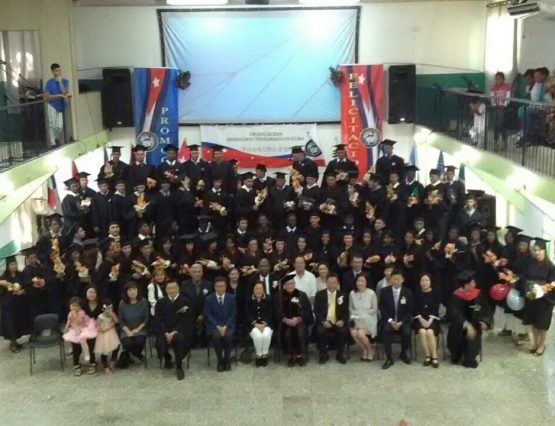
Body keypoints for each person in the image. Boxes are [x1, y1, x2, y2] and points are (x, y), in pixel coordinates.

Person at [447, 270, 491, 368]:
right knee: (455, 358)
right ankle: (456, 354)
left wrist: (484, 321)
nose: (475, 284)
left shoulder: (478, 294)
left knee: (470, 361)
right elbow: (454, 313)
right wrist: (466, 324)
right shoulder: (456, 296)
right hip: (459, 325)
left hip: (474, 324)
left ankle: (469, 356)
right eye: (473, 282)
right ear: (466, 285)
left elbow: (484, 309)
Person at [520, 237, 555, 356]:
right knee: (533, 322)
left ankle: (541, 345)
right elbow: (524, 277)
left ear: (544, 250)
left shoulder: (550, 266)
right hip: (532, 297)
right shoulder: (530, 263)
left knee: (542, 324)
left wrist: (545, 287)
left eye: (539, 250)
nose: (537, 252)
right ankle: (535, 344)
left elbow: (552, 283)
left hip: (545, 300)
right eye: (535, 250)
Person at [155, 280, 194, 381]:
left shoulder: (185, 301)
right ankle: (167, 357)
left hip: (180, 330)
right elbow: (158, 320)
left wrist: (174, 332)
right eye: (169, 288)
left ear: (178, 288)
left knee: (179, 340)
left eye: (174, 288)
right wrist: (166, 332)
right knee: (160, 343)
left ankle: (179, 365)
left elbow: (187, 319)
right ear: (165, 290)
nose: (172, 290)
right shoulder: (160, 302)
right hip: (165, 331)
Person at [274, 273, 313, 367]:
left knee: (300, 332)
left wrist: (299, 319)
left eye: (292, 283)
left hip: (299, 322)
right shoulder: (278, 296)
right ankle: (291, 355)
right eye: (288, 284)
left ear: (295, 284)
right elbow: (276, 311)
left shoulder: (301, 295)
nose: (290, 285)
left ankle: (299, 355)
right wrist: (285, 319)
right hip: (284, 322)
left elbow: (308, 311)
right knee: (287, 334)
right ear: (284, 286)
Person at [379, 268, 414, 369]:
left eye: (398, 279)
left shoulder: (408, 292)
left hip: (403, 320)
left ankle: (403, 353)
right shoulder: (384, 291)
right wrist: (391, 321)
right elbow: (382, 308)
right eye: (394, 279)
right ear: (391, 279)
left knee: (407, 332)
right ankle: (389, 357)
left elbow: (410, 310)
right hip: (389, 320)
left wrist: (401, 322)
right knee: (386, 331)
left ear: (403, 280)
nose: (396, 281)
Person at [314, 274, 348, 364]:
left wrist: (343, 320)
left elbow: (346, 312)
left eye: (334, 282)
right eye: (330, 282)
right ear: (326, 283)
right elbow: (316, 311)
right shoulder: (320, 294)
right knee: (320, 330)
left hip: (337, 320)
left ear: (338, 283)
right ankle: (323, 354)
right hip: (325, 320)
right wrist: (323, 321)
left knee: (342, 331)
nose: (332, 285)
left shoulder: (343, 295)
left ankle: (340, 354)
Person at [204, 276, 236, 372]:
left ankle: (227, 359)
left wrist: (225, 326)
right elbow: (208, 315)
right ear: (214, 287)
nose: (220, 288)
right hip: (214, 326)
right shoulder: (209, 299)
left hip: (228, 325)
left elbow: (233, 314)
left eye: (222, 286)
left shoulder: (231, 298)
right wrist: (217, 326)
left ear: (225, 287)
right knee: (216, 337)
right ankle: (220, 360)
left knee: (228, 336)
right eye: (217, 286)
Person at [63, 297, 98, 376]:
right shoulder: (70, 313)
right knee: (76, 349)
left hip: (86, 328)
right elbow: (68, 323)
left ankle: (91, 362)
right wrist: (65, 332)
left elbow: (79, 321)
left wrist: (74, 314)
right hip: (75, 329)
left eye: (76, 306)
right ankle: (76, 366)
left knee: (89, 345)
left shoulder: (81, 312)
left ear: (80, 306)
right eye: (72, 306)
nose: (74, 308)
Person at [118, 281, 149, 367]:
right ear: (126, 292)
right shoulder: (122, 303)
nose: (132, 292)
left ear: (138, 290)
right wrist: (127, 331)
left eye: (134, 289)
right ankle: (136, 355)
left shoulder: (143, 301)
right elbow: (121, 320)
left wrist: (138, 329)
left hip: (140, 328)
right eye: (129, 290)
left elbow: (146, 318)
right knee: (127, 343)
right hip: (126, 329)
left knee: (139, 342)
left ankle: (134, 355)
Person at [413, 273, 441, 368]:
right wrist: (421, 320)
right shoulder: (416, 294)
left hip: (433, 319)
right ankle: (428, 355)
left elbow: (436, 309)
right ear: (419, 282)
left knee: (429, 332)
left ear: (430, 282)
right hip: (419, 319)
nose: (424, 283)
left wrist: (429, 321)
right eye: (422, 280)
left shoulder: (436, 293)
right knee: (422, 331)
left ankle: (434, 356)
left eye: (426, 280)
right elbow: (415, 309)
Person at [0, 256, 27, 352]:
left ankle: (15, 341)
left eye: (15, 264)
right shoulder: (3, 277)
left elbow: (26, 286)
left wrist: (22, 292)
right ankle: (12, 343)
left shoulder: (20, 275)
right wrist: (4, 284)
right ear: (7, 266)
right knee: (10, 323)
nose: (14, 266)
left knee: (17, 323)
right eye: (11, 264)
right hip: (8, 305)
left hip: (18, 304)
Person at [349, 273, 378, 361]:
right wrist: (355, 314)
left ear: (366, 282)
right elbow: (350, 308)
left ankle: (370, 349)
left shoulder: (371, 293)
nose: (360, 283)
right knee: (353, 333)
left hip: (368, 318)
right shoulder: (352, 293)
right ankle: (364, 349)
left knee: (360, 334)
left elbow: (375, 309)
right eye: (358, 281)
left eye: (362, 281)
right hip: (356, 317)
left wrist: (363, 313)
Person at [246, 282, 274, 367]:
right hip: (253, 325)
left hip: (267, 324)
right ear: (253, 290)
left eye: (260, 288)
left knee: (266, 335)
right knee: (258, 336)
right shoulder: (248, 299)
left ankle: (264, 355)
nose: (258, 290)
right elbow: (246, 313)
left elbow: (271, 313)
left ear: (263, 289)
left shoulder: (269, 298)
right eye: (256, 288)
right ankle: (259, 355)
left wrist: (264, 324)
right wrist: (255, 324)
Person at [44, 63, 70, 146]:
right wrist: (58, 95)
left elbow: (64, 92)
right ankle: (53, 143)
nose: (58, 72)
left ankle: (57, 138)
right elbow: (47, 96)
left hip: (61, 106)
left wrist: (60, 82)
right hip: (52, 105)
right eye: (56, 71)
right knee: (52, 124)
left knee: (59, 126)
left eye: (59, 70)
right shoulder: (49, 83)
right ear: (53, 72)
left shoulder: (65, 81)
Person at [94, 299, 120, 375]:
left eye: (111, 307)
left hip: (111, 333)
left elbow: (116, 321)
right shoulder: (100, 317)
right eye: (108, 308)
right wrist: (101, 329)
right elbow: (97, 326)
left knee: (117, 346)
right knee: (104, 351)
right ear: (103, 309)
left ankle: (112, 361)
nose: (110, 310)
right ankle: (105, 367)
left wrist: (112, 315)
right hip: (103, 335)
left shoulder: (112, 314)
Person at [490, 71, 512, 150]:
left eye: (499, 78)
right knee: (496, 126)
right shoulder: (493, 87)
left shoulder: (507, 87)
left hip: (503, 109)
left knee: (501, 125)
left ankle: (504, 141)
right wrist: (494, 105)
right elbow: (492, 98)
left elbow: (508, 98)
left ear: (503, 79)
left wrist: (504, 105)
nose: (497, 80)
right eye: (496, 79)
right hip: (496, 109)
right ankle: (495, 142)